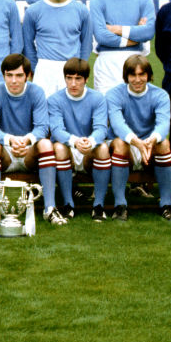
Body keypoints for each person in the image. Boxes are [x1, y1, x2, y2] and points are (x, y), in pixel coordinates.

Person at [0, 54, 61, 226]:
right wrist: (10, 140)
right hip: (5, 151)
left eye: (19, 75)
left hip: (28, 151)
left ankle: (50, 208)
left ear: (28, 75)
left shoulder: (36, 92)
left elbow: (42, 126)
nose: (14, 80)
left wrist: (26, 140)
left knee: (46, 143)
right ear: (3, 75)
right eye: (9, 75)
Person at [105, 54, 171, 221]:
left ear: (149, 75)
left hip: (148, 144)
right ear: (126, 76)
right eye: (133, 75)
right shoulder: (114, 94)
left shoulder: (160, 95)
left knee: (164, 143)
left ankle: (166, 204)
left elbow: (163, 124)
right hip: (125, 144)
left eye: (142, 75)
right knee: (120, 143)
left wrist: (151, 140)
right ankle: (120, 205)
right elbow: (117, 125)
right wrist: (136, 142)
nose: (137, 80)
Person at [47, 58, 111, 221]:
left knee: (103, 148)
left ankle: (98, 206)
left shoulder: (98, 98)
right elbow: (56, 130)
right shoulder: (55, 99)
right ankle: (68, 204)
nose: (73, 83)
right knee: (59, 148)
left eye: (78, 79)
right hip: (68, 148)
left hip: (89, 149)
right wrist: (75, 141)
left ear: (86, 79)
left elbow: (101, 128)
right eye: (69, 78)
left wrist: (90, 141)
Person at [22, 0, 93, 96]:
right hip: (45, 69)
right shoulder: (33, 11)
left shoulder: (81, 10)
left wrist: (80, 68)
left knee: (71, 112)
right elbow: (27, 43)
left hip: (72, 68)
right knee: (43, 112)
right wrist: (35, 68)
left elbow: (87, 42)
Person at [89, 0, 156, 93]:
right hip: (107, 62)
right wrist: (135, 36)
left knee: (134, 111)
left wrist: (117, 29)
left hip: (136, 60)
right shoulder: (97, 0)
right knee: (106, 110)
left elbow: (148, 32)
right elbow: (101, 36)